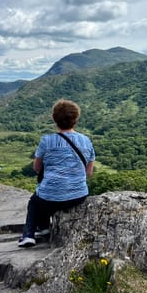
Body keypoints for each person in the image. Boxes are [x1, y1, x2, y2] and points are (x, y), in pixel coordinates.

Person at [18, 99, 95, 247]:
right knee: (45, 194)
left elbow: (36, 168)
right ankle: (44, 229)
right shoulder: (86, 141)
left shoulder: (47, 141)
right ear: (75, 119)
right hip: (78, 196)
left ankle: (30, 234)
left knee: (36, 200)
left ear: (55, 119)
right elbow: (88, 172)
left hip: (50, 198)